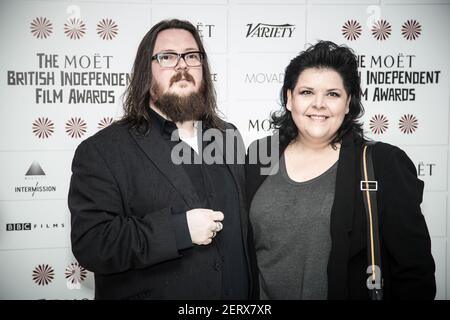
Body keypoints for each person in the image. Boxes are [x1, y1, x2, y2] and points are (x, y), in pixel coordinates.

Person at [68, 19, 252, 300]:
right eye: (167, 57)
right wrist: (179, 230)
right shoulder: (102, 151)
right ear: (146, 70)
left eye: (192, 56)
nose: (182, 66)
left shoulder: (229, 135)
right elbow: (92, 244)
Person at [245, 41, 436, 300]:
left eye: (333, 94)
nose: (319, 104)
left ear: (348, 103)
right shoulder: (259, 154)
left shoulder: (384, 163)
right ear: (289, 99)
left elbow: (415, 272)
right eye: (307, 92)